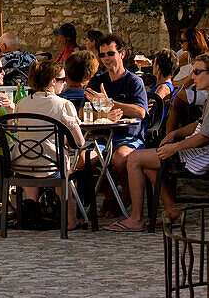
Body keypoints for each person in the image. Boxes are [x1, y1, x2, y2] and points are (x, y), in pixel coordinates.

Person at [112, 54, 209, 231]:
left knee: (134, 159)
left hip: (200, 154)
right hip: (195, 148)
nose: (192, 76)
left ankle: (136, 218)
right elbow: (201, 124)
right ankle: (171, 209)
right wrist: (175, 134)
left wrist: (175, 147)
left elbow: (204, 136)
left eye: (197, 72)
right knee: (147, 162)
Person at [15, 59, 86, 230]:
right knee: (64, 168)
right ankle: (71, 220)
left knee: (36, 154)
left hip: (23, 165)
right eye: (62, 80)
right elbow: (79, 142)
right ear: (53, 81)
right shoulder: (63, 104)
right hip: (51, 167)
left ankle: (31, 204)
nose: (64, 83)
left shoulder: (21, 103)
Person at [85, 33, 148, 199]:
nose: (106, 58)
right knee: (82, 162)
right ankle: (111, 197)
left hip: (128, 136)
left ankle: (127, 196)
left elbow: (140, 112)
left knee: (119, 158)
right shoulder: (97, 81)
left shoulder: (133, 81)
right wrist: (103, 112)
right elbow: (82, 112)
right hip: (102, 137)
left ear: (122, 54)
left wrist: (110, 103)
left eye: (110, 53)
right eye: (102, 55)